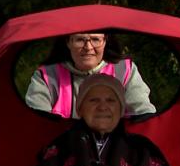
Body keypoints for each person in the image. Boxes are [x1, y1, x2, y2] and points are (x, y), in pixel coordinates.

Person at [26, 73, 180, 166]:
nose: (102, 107)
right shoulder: (59, 147)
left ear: (121, 110)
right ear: (80, 109)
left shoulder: (141, 149)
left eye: (111, 100)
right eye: (93, 100)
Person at [24, 32, 156, 118]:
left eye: (95, 39)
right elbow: (35, 122)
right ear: (68, 42)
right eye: (80, 40)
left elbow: (144, 115)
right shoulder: (46, 76)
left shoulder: (125, 70)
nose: (88, 47)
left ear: (105, 41)